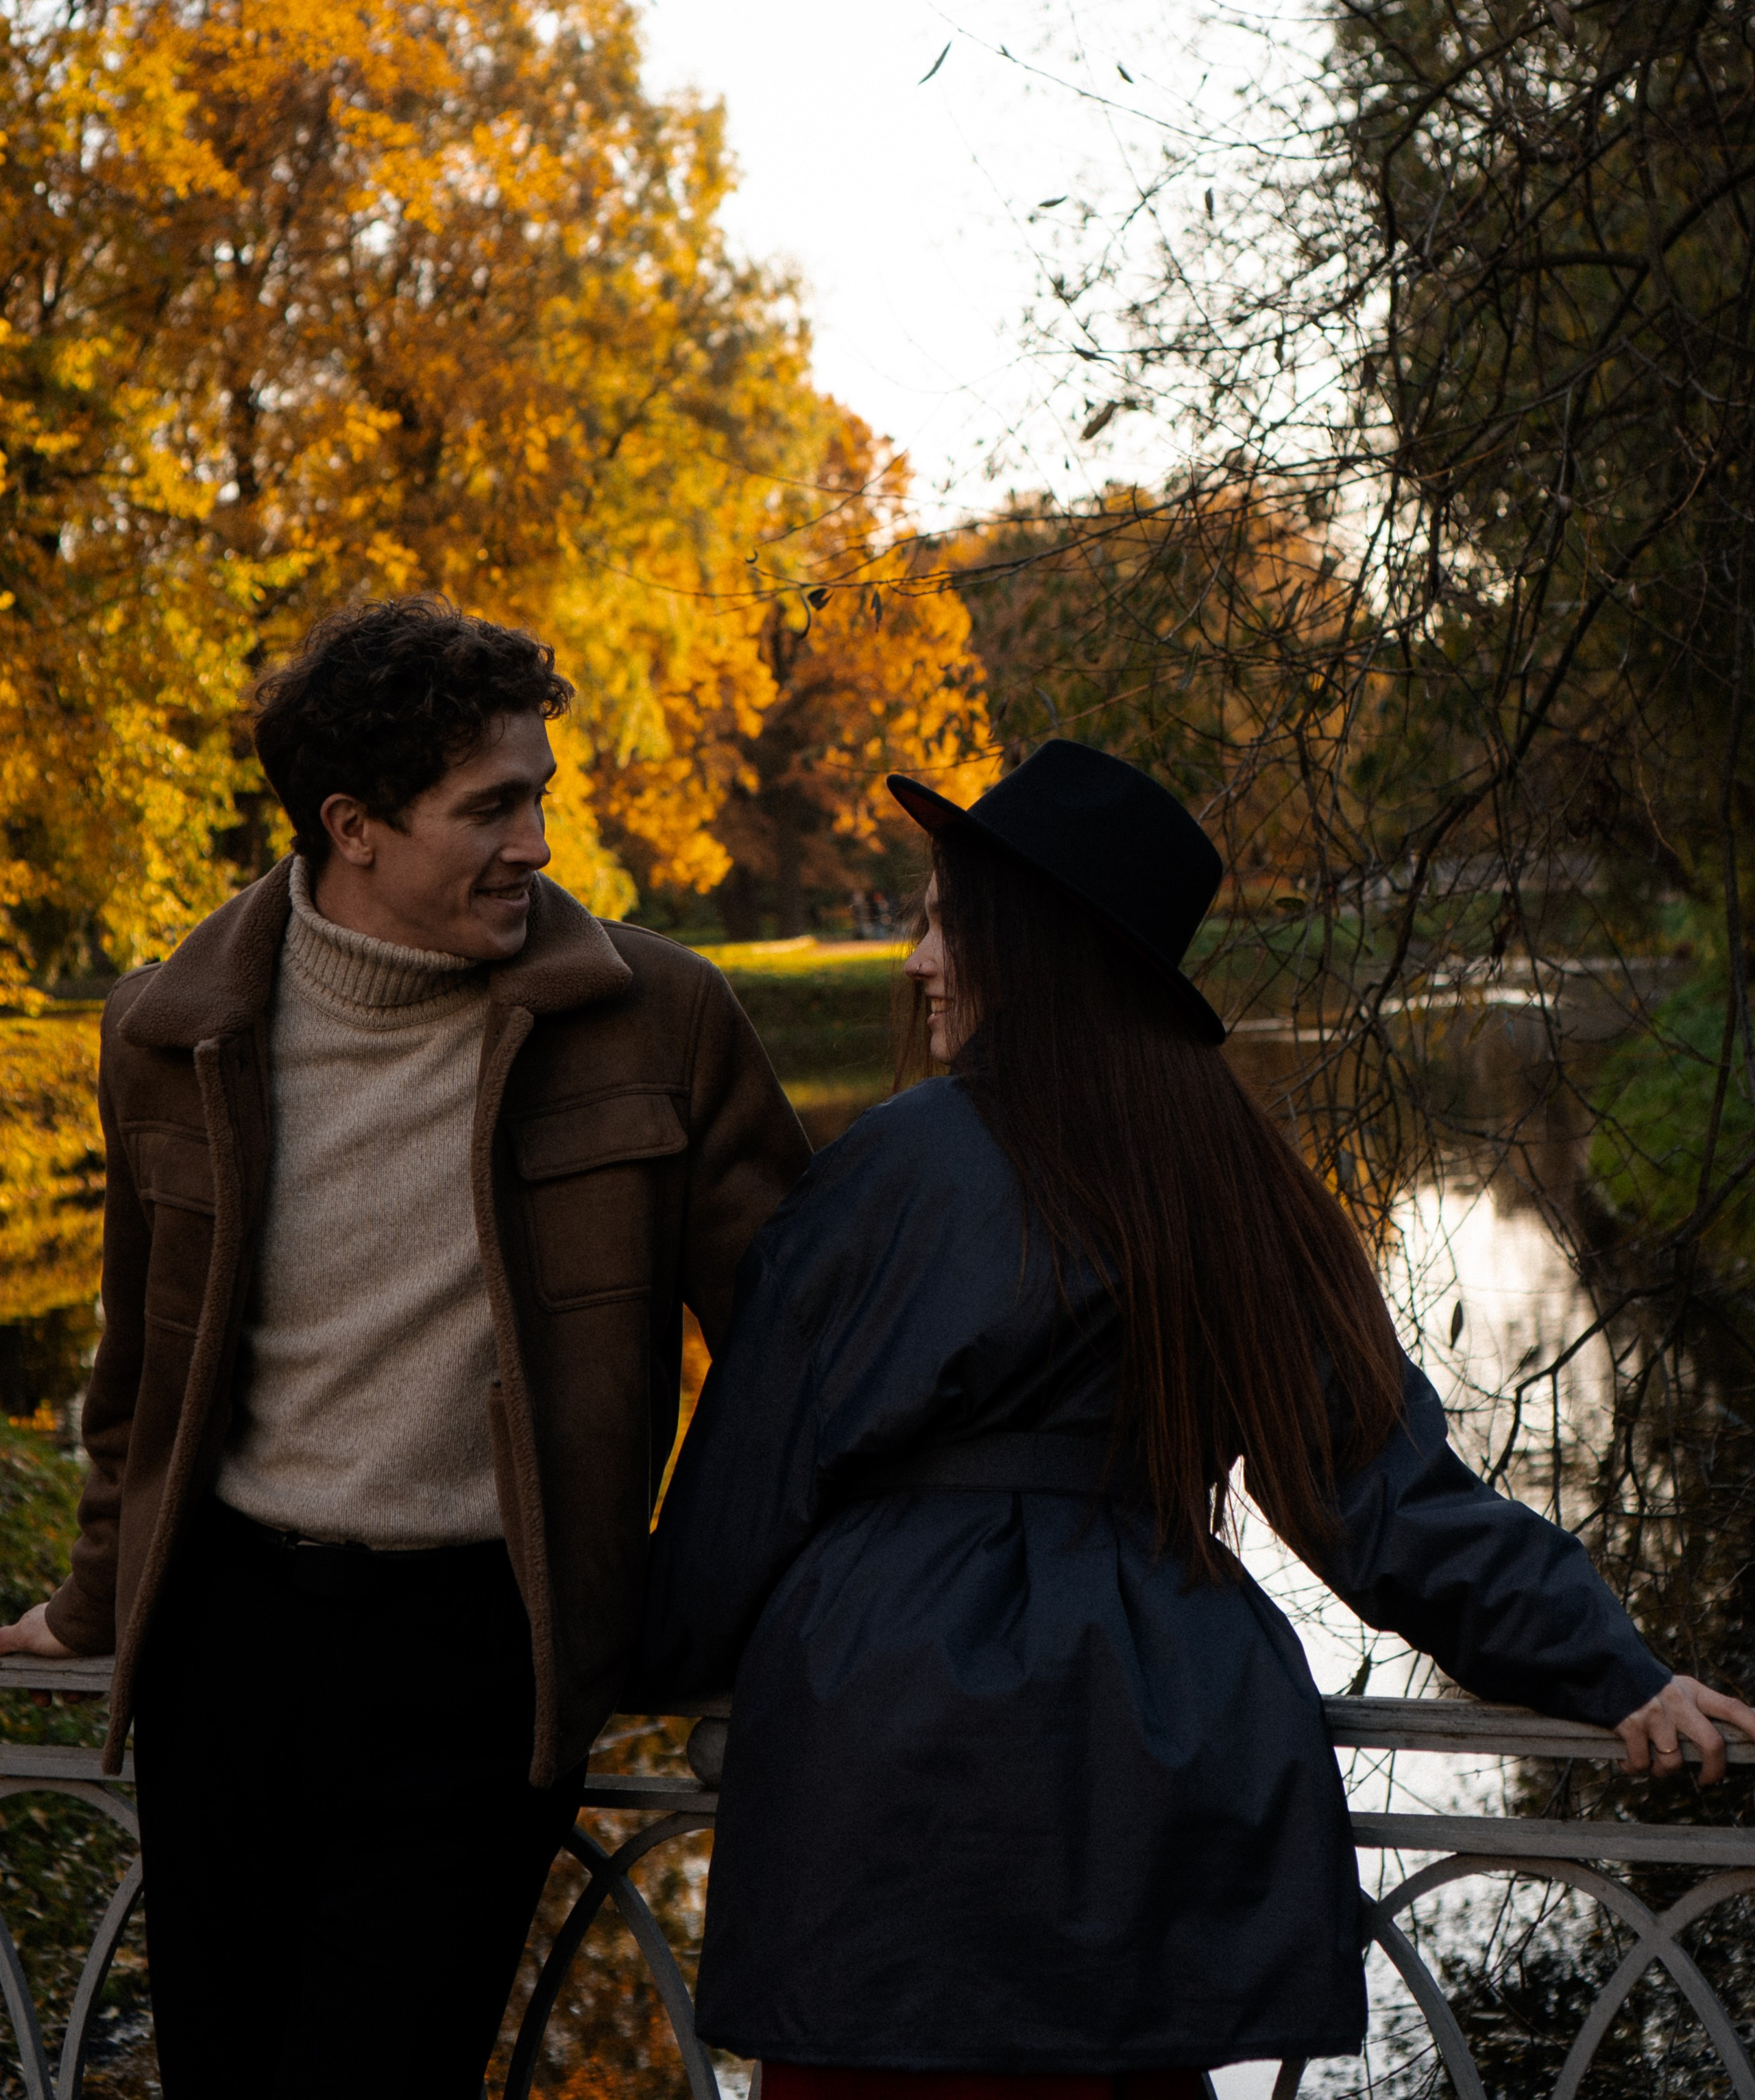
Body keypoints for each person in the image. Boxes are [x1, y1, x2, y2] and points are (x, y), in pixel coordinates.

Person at [639, 739, 1755, 2098]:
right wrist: (1604, 1666)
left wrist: (635, 1664)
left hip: (881, 1758)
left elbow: (751, 1475)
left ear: (1023, 944)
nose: (917, 963)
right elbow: (1380, 1487)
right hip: (1140, 1753)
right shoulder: (1231, 1171)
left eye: (942, 922)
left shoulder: (890, 1166)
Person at [0, 598, 808, 2100]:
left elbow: (795, 1361)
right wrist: (100, 1592)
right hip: (221, 1654)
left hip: (479, 1662)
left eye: (539, 798)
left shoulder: (658, 1021)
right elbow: (141, 1364)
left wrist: (689, 1607)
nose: (536, 845)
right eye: (490, 808)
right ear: (352, 827)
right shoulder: (169, 1032)